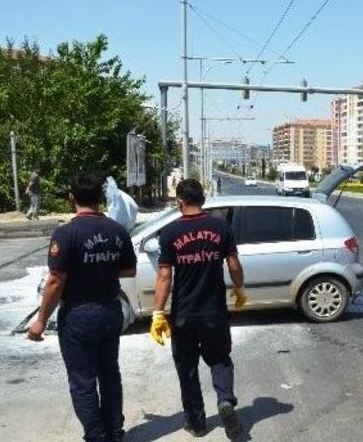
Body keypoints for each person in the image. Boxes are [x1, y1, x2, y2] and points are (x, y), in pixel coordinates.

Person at [27, 173, 137, 442]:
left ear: (71, 198)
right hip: (110, 311)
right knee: (110, 374)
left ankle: (97, 437)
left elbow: (55, 281)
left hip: (79, 314)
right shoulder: (117, 230)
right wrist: (102, 267)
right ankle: (115, 432)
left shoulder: (66, 233)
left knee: (83, 380)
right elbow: (129, 269)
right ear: (100, 199)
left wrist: (41, 320)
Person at [151, 179, 247, 439]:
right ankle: (225, 400)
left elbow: (164, 276)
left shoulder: (170, 233)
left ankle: (196, 422)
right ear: (202, 199)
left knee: (187, 368)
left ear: (179, 201)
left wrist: (158, 312)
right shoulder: (221, 227)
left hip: (184, 314)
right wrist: (239, 289)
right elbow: (234, 265)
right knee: (219, 359)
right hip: (214, 311)